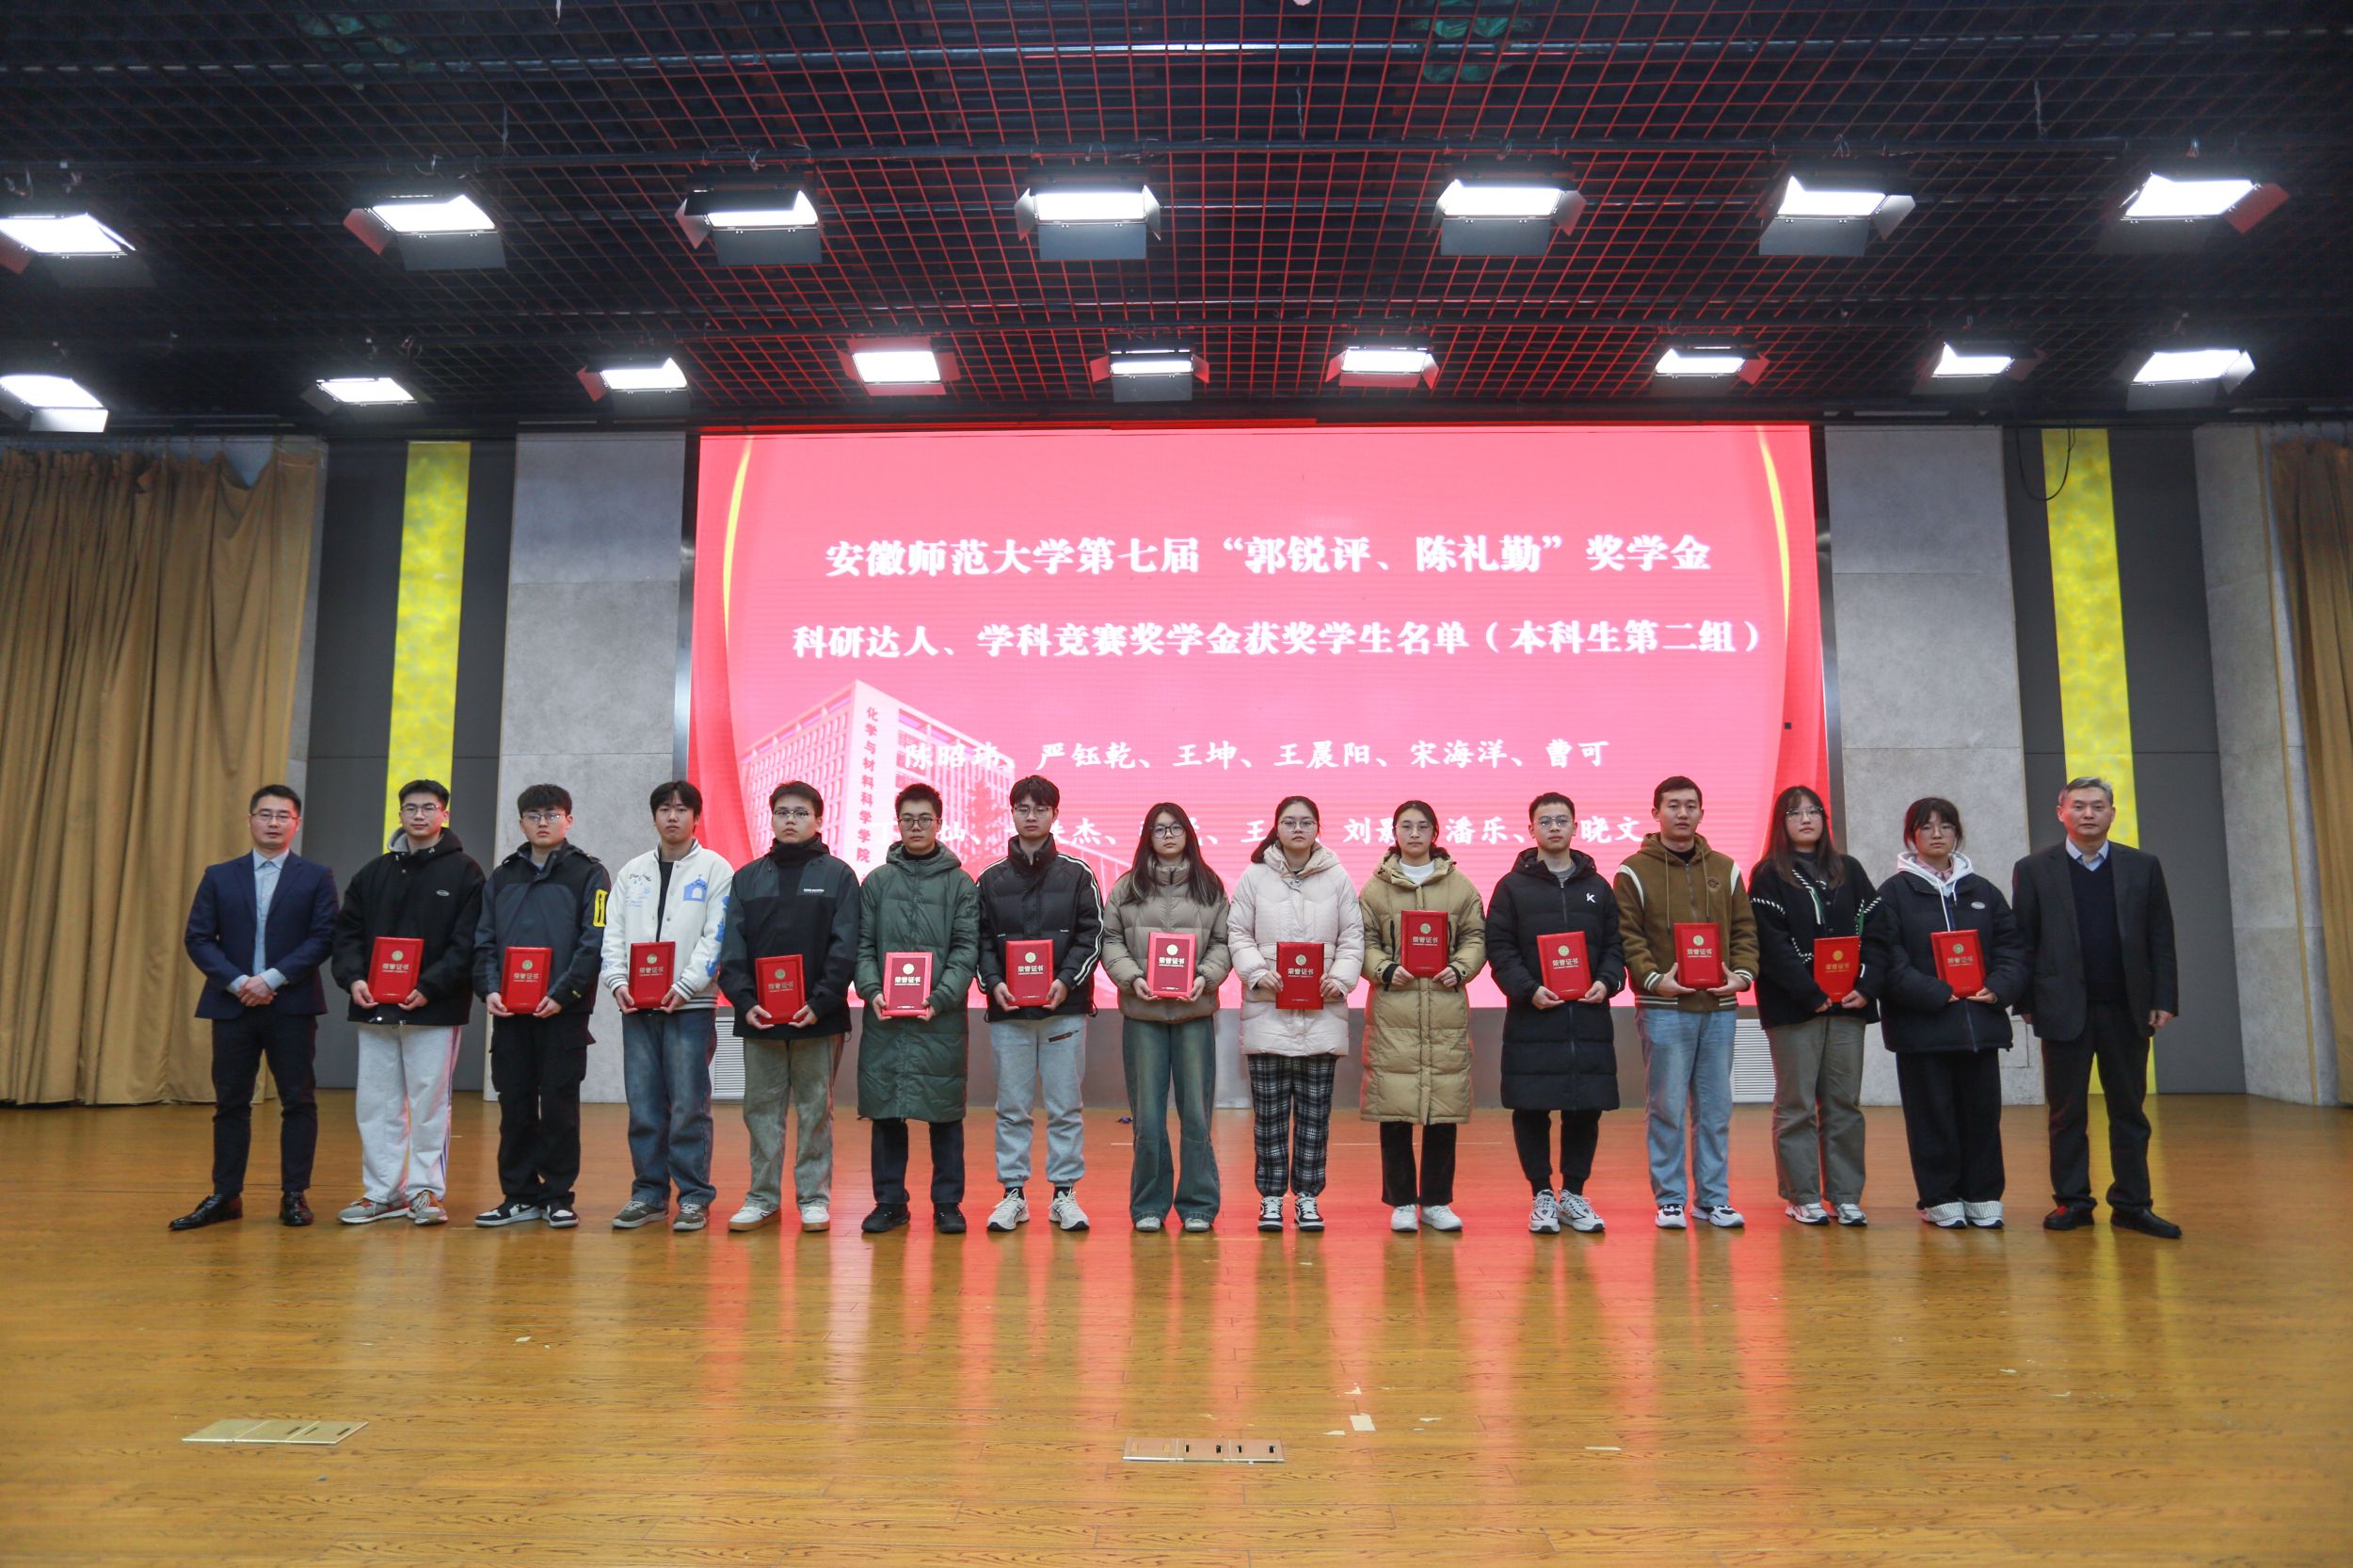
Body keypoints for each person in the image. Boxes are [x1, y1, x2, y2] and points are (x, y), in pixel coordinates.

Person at [2012, 777, 2183, 1239]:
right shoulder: (2033, 869)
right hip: (2062, 1008)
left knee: (2130, 1112)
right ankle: (2072, 1202)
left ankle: (2132, 1205)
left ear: (2112, 813)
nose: (2088, 814)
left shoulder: (2142, 866)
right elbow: (2024, 940)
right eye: (2079, 806)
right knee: (2066, 1114)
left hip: (2128, 1009)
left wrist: (2163, 998)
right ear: (2061, 812)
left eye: (2098, 806)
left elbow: (2161, 938)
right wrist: (2025, 1000)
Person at [172, 784, 340, 1231]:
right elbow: (198, 938)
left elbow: (324, 937)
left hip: (292, 1004)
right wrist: (238, 982)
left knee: (298, 1101)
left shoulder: (316, 876)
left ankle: (294, 1195)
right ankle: (226, 1195)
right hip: (233, 1005)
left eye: (283, 816)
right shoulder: (219, 876)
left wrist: (271, 979)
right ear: (250, 820)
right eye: (265, 815)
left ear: (296, 824)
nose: (273, 823)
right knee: (231, 1103)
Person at [326, 778, 485, 1228]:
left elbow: (468, 942)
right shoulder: (373, 873)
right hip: (375, 1007)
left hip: (433, 1010)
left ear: (444, 814)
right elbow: (347, 934)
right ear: (399, 815)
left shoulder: (466, 873)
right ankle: (383, 1193)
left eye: (428, 808)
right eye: (411, 808)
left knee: (430, 1104)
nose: (419, 815)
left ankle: (424, 1192)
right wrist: (353, 979)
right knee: (376, 1104)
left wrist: (431, 986)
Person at [1868, 797, 2029, 1228]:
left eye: (1945, 826)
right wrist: (1936, 992)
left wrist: (1998, 988)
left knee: (1982, 1115)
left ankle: (1983, 1194)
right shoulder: (1893, 893)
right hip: (1923, 1029)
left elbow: (2012, 948)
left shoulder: (1983, 891)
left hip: (1979, 1025)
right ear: (1911, 836)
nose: (1936, 834)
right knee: (1931, 1117)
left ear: (1957, 833)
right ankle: (1939, 1197)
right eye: (1926, 827)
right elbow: (1887, 958)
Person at [1614, 776, 1759, 1230]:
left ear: (1701, 813)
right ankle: (1671, 1198)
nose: (1682, 813)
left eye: (1690, 805)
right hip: (1663, 1008)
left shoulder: (1726, 868)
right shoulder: (1633, 871)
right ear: (1655, 812)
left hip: (1718, 1008)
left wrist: (1741, 975)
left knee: (1715, 1110)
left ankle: (1713, 1199)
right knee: (1667, 1107)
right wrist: (1654, 979)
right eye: (1673, 805)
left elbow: (1745, 930)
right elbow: (1628, 936)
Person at [717, 779, 861, 1234]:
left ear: (818, 820)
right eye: (782, 812)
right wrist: (745, 1002)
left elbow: (846, 947)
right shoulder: (747, 878)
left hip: (818, 1018)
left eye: (800, 813)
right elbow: (732, 949)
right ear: (773, 819)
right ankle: (762, 1198)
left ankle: (814, 1199)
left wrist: (820, 1002)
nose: (790, 820)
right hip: (759, 1018)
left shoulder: (838, 876)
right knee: (760, 1110)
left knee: (816, 1109)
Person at [1485, 792, 1625, 1236]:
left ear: (1575, 827)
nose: (1554, 827)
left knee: (1585, 1108)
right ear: (1531, 829)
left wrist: (1608, 980)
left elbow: (1615, 944)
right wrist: (1528, 990)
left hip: (1587, 1018)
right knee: (1531, 1107)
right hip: (1534, 1017)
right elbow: (1499, 948)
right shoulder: (1512, 887)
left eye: (1562, 820)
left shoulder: (1597, 886)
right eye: (1544, 821)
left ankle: (1575, 1194)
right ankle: (1542, 1194)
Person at [598, 780, 735, 1234]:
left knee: (689, 1106)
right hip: (637, 1007)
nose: (672, 816)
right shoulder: (632, 872)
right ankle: (648, 1194)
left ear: (697, 817)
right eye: (664, 809)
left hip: (690, 1007)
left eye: (681, 809)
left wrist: (687, 984)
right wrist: (617, 981)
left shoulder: (715, 869)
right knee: (644, 1107)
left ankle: (694, 1197)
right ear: (654, 816)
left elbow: (717, 935)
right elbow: (613, 933)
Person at [471, 783, 610, 1229]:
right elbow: (483, 940)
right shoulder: (502, 876)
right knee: (514, 1106)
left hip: (563, 1014)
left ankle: (558, 1197)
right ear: (521, 823)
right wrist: (490, 989)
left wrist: (563, 994)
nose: (543, 822)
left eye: (552, 814)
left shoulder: (590, 874)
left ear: (569, 820)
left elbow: (594, 941)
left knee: (559, 1108)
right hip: (511, 1014)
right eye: (534, 816)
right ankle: (518, 1195)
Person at [973, 776, 1106, 1234]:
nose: (1031, 816)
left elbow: (1092, 935)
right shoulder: (990, 878)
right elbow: (979, 940)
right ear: (1012, 813)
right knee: (1012, 1108)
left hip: (1063, 1012)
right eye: (1023, 808)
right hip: (1009, 1013)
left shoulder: (1078, 874)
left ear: (1055, 814)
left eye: (1040, 809)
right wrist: (993, 982)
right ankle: (1013, 1194)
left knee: (1065, 1107)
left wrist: (1066, 982)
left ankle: (1064, 1194)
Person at [1226, 795, 1364, 1233]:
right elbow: (1237, 932)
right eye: (1289, 822)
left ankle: (1307, 1198)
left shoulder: (1337, 876)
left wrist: (1340, 978)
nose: (1298, 829)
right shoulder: (1254, 876)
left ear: (1318, 828)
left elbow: (1353, 937)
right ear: (1277, 827)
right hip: (1267, 1013)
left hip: (1322, 1014)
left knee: (1314, 1118)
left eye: (1306, 822)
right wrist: (1256, 972)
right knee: (1268, 1118)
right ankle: (1270, 1198)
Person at [1747, 784, 1881, 1228]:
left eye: (1813, 811)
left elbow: (1878, 931)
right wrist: (1811, 992)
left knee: (1844, 1103)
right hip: (1795, 1009)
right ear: (1780, 823)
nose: (1806, 819)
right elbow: (1771, 944)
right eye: (1795, 813)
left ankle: (1844, 1195)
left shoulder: (1850, 870)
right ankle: (1802, 1195)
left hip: (1849, 1006)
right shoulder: (1769, 874)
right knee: (1797, 1104)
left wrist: (1867, 985)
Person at [853, 782, 981, 1235]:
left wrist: (940, 997)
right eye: (908, 819)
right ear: (898, 823)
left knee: (945, 1114)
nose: (916, 827)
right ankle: (890, 1202)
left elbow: (966, 950)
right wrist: (872, 990)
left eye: (925, 819)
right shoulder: (877, 882)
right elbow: (863, 946)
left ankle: (948, 1204)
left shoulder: (961, 884)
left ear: (939, 823)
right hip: (885, 1016)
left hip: (939, 1018)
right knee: (887, 1111)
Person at [1098, 804, 1230, 1233]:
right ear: (1148, 836)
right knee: (1148, 1117)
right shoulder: (1127, 887)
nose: (1168, 835)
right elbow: (1110, 939)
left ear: (1188, 833)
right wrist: (1131, 977)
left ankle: (1198, 1204)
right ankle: (1148, 1205)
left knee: (1197, 1115)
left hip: (1194, 1013)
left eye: (1175, 828)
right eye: (1159, 829)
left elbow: (1224, 941)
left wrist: (1206, 977)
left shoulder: (1209, 886)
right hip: (1144, 1014)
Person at [1357, 801, 1486, 1233]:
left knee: (1442, 1109)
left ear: (1435, 832)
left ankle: (1436, 1200)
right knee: (1394, 1107)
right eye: (1406, 826)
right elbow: (1363, 941)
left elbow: (1475, 936)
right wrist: (1384, 969)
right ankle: (1400, 1201)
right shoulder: (1375, 889)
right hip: (1394, 1008)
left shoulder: (1460, 886)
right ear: (1394, 832)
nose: (1414, 833)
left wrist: (1462, 967)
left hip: (1444, 1007)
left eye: (1422, 826)